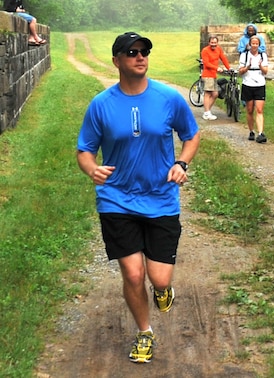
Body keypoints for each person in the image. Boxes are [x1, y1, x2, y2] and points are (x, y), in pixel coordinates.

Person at [76, 31, 200, 364]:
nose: (140, 56)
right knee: (132, 274)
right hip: (116, 199)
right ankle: (144, 332)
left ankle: (162, 290)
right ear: (117, 61)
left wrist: (181, 162)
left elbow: (191, 135)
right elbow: (85, 149)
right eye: (131, 52)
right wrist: (92, 169)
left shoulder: (168, 98)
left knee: (159, 278)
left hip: (161, 198)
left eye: (144, 51)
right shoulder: (101, 104)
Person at [239, 35, 269, 143]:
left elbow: (266, 71)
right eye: (253, 43)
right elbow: (240, 71)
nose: (255, 45)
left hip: (260, 84)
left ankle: (261, 133)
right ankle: (251, 131)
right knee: (250, 110)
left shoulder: (263, 55)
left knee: (259, 110)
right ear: (250, 44)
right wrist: (248, 66)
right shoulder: (244, 55)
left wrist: (260, 66)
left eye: (257, 44)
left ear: (259, 45)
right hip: (248, 84)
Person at [201, 35, 231, 120]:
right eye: (212, 42)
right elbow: (206, 63)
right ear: (209, 42)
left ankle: (207, 112)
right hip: (207, 75)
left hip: (213, 75)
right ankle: (207, 113)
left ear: (217, 43)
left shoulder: (218, 49)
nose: (213, 44)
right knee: (208, 94)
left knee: (215, 94)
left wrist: (229, 68)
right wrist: (216, 68)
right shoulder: (205, 50)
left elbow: (223, 58)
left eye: (215, 42)